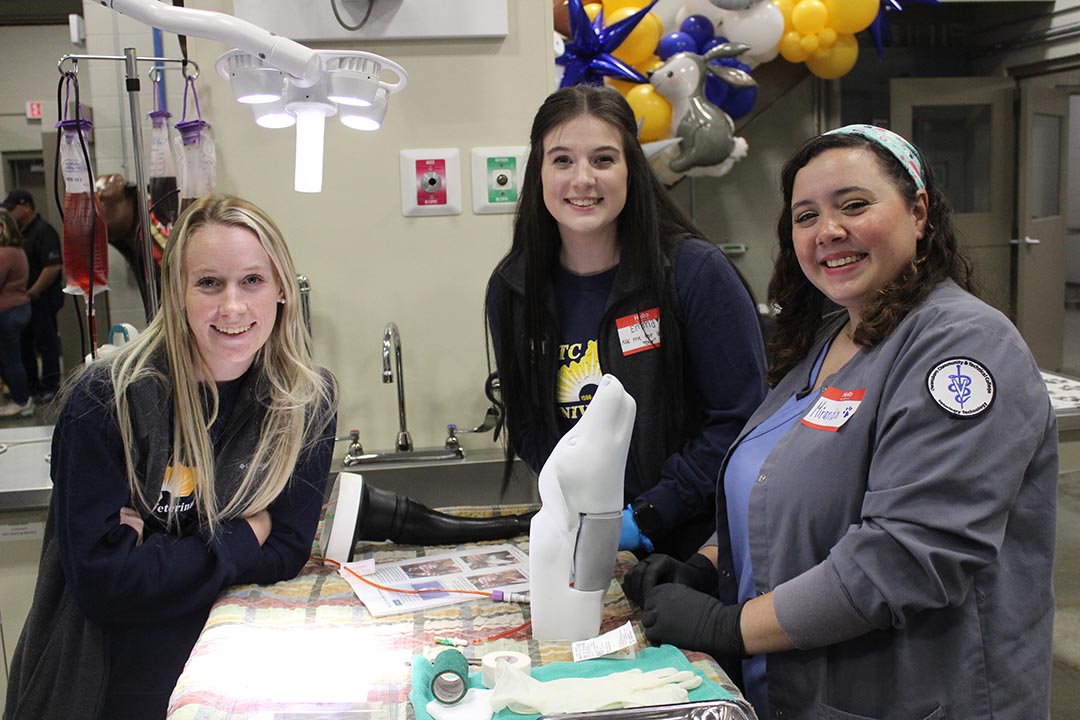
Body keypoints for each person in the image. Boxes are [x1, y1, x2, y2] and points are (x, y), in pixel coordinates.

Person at [623, 125, 1057, 719]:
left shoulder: (963, 348)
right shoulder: (829, 341)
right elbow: (779, 490)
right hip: (798, 689)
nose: (828, 231)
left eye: (854, 205)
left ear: (919, 210)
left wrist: (728, 625)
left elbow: (906, 557)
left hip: (916, 695)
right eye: (806, 216)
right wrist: (709, 565)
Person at [4, 194, 339, 720]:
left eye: (252, 281)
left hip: (227, 670)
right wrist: (246, 532)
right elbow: (104, 585)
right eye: (209, 283)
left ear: (281, 291)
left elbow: (289, 549)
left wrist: (155, 548)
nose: (233, 307)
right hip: (102, 681)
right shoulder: (106, 399)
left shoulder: (306, 402)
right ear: (177, 293)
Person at [486, 85, 766, 561]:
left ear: (630, 170)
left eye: (602, 159)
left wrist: (648, 515)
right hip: (584, 548)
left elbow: (740, 420)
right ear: (537, 173)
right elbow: (529, 422)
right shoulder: (514, 290)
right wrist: (578, 511)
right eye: (561, 161)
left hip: (698, 553)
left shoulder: (694, 273)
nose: (583, 179)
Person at [1, 189, 64, 403]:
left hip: (42, 299)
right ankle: (32, 386)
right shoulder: (20, 235)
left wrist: (33, 291)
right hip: (25, 301)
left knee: (46, 343)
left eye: (12, 209)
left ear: (26, 207)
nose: (9, 213)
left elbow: (52, 267)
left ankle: (50, 386)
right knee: (26, 346)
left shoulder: (43, 231)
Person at [0, 209, 34, 417]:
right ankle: (21, 397)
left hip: (8, 311)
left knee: (11, 359)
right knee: (14, 358)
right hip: (19, 308)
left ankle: (21, 400)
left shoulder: (4, 254)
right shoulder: (17, 250)